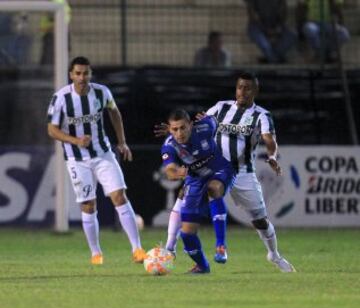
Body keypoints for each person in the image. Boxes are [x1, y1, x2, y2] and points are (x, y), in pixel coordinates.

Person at [158, 72, 296, 273]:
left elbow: (268, 139)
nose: (242, 91)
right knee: (184, 195)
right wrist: (176, 131)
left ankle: (274, 255)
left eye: (248, 88)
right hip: (212, 168)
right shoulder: (221, 107)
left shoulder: (262, 115)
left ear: (255, 91)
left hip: (242, 172)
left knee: (260, 220)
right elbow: (199, 125)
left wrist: (272, 156)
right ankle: (170, 249)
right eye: (240, 87)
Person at [47, 56, 147, 265]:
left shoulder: (102, 92)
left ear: (91, 74)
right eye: (78, 73)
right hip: (76, 159)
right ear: (71, 75)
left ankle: (137, 249)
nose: (82, 77)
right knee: (88, 205)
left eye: (86, 73)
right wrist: (75, 140)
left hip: (103, 154)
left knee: (119, 196)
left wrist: (122, 142)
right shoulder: (61, 98)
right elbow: (52, 130)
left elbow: (114, 113)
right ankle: (96, 253)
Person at [161, 109, 236, 273]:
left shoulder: (205, 127)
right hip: (195, 180)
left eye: (183, 128)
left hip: (220, 170)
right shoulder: (169, 146)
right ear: (169, 129)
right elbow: (170, 171)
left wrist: (211, 117)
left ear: (191, 125)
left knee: (213, 188)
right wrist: (177, 173)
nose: (179, 133)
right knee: (187, 234)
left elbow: (216, 122)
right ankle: (202, 266)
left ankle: (220, 246)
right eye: (174, 129)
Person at [40, 0, 71, 65]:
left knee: (53, 60)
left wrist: (48, 29)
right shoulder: (48, 2)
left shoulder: (60, 3)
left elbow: (63, 23)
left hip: (56, 36)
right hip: (48, 36)